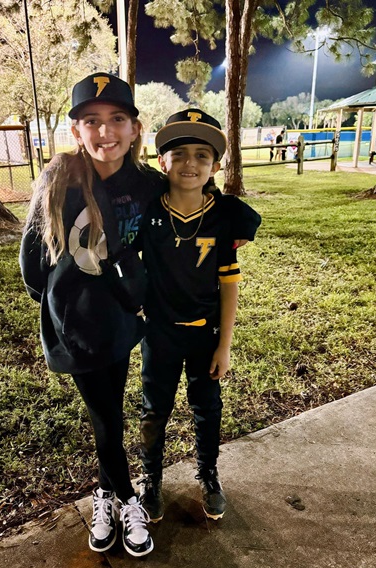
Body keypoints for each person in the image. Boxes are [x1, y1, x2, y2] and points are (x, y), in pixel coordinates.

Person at [19, 72, 167, 558]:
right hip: (76, 326)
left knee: (111, 409)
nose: (106, 133)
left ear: (135, 127)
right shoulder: (59, 178)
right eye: (92, 122)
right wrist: (65, 304)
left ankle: (104, 493)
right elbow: (32, 262)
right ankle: (127, 499)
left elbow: (164, 240)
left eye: (117, 120)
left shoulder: (148, 186)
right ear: (77, 131)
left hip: (122, 322)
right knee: (105, 416)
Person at [134, 110, 261, 522]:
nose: (191, 164)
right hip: (159, 333)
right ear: (162, 162)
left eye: (202, 155)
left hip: (206, 333)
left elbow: (229, 282)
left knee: (208, 406)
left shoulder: (225, 215)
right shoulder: (147, 213)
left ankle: (208, 473)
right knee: (155, 408)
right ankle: (150, 478)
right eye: (180, 153)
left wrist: (224, 345)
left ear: (216, 165)